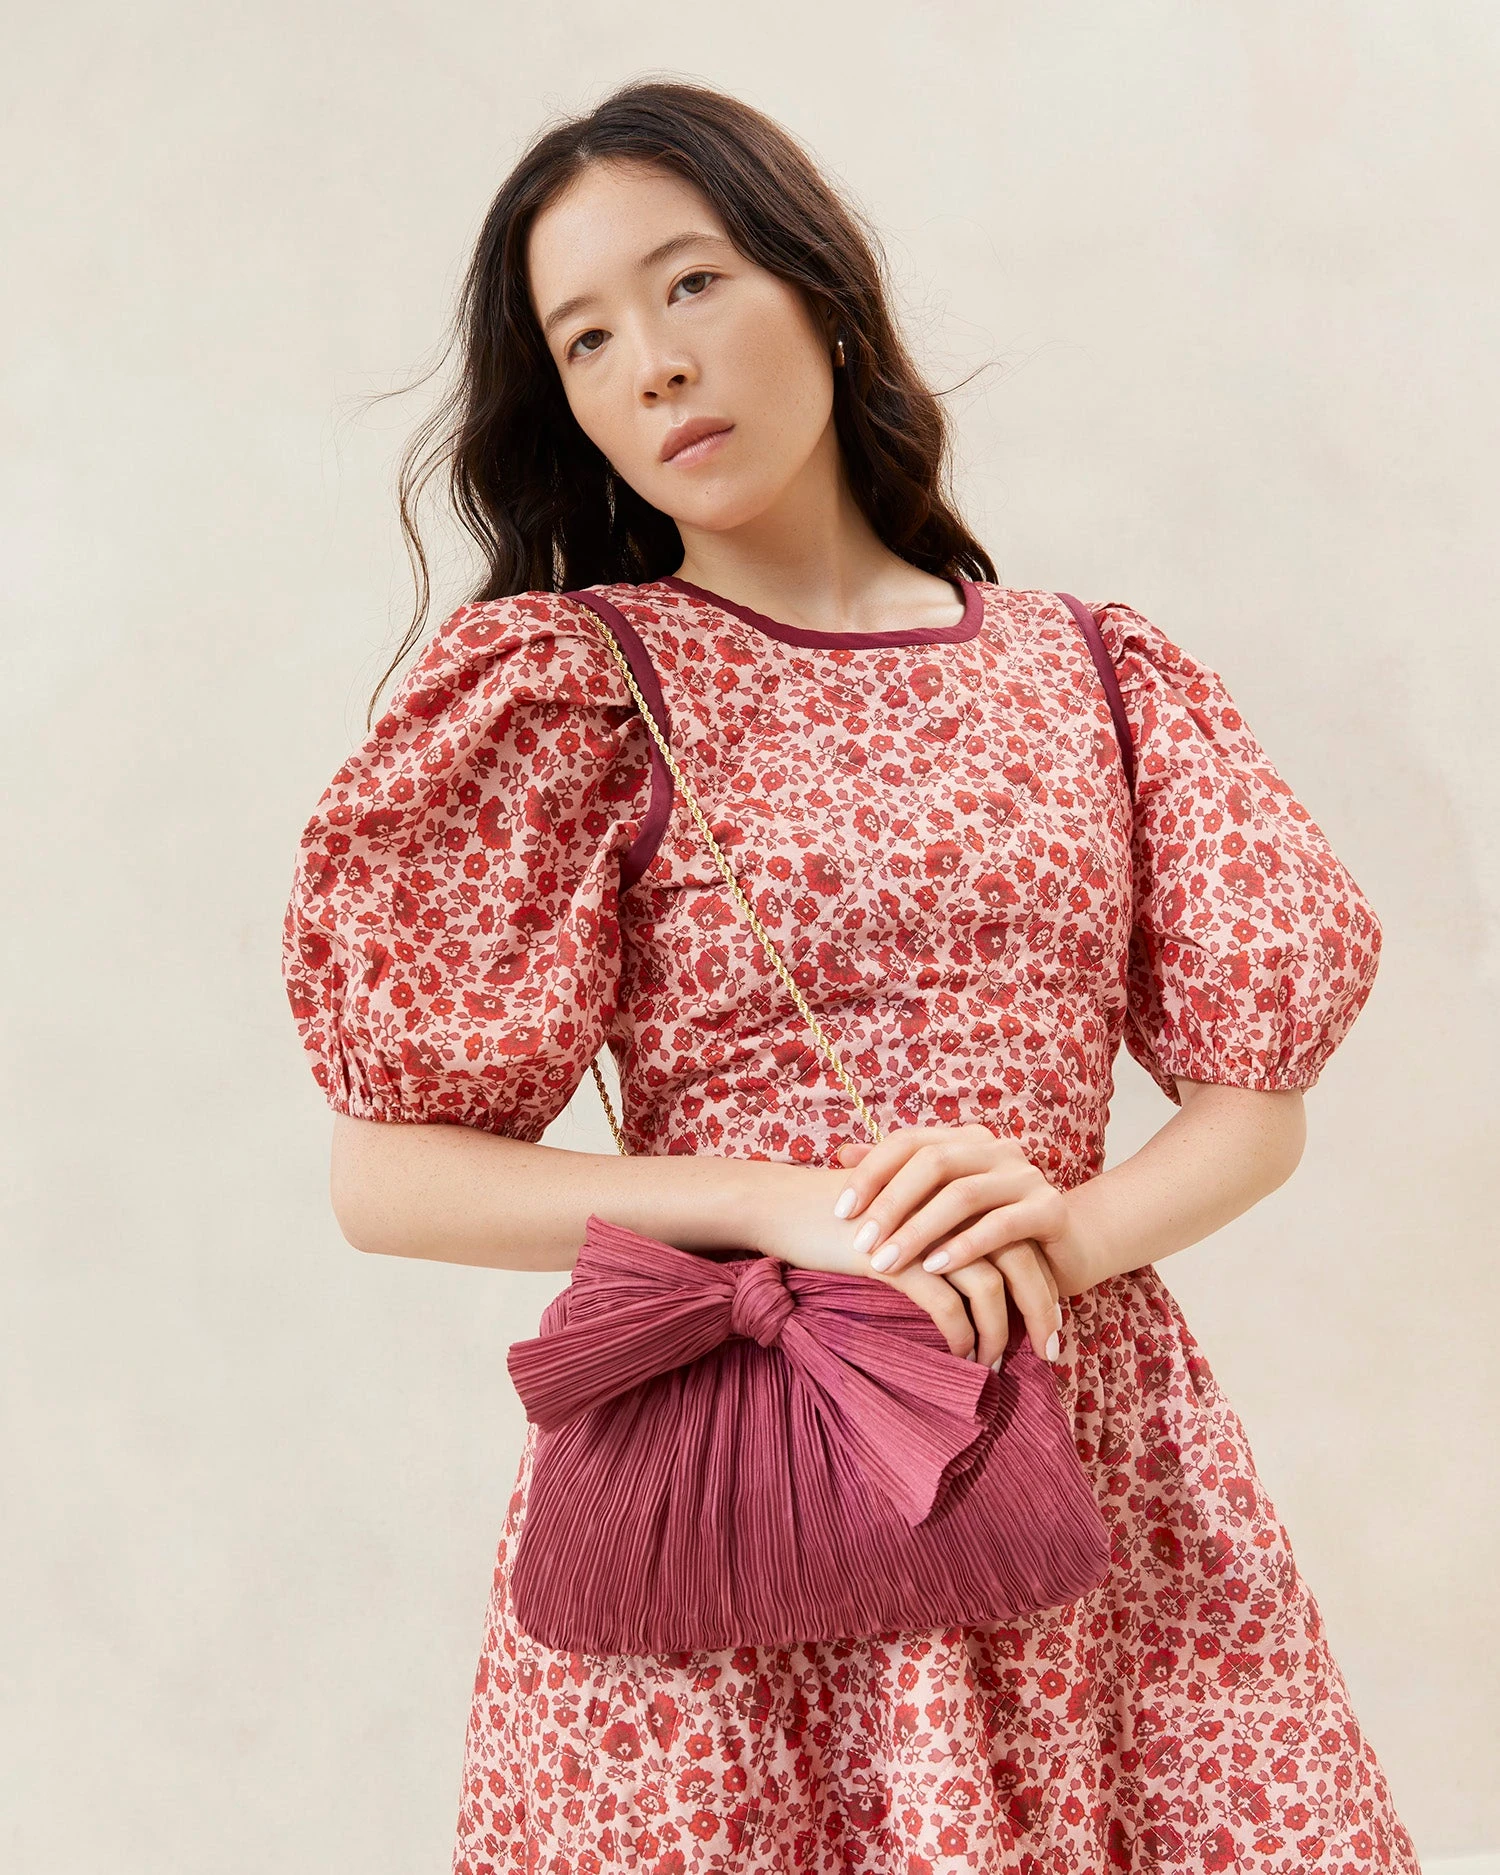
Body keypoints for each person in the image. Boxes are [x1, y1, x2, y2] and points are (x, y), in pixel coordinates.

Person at [281, 77, 1421, 1875]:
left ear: (818, 291)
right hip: (747, 1475)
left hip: (1079, 1427)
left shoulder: (1093, 672)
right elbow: (387, 1177)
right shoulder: (573, 688)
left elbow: (1255, 1104)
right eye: (586, 338)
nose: (655, 363)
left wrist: (1063, 1238)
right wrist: (790, 1208)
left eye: (689, 282)